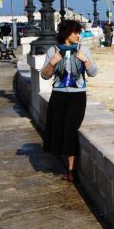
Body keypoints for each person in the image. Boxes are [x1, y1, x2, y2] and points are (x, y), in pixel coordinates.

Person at [41, 20, 98, 182]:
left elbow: (93, 73)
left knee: (70, 129)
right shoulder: (53, 50)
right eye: (75, 33)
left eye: (79, 32)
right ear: (66, 33)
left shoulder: (83, 50)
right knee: (58, 129)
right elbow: (45, 75)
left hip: (77, 95)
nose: (78, 35)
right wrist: (52, 62)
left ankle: (71, 170)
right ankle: (66, 167)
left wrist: (85, 60)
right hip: (58, 95)